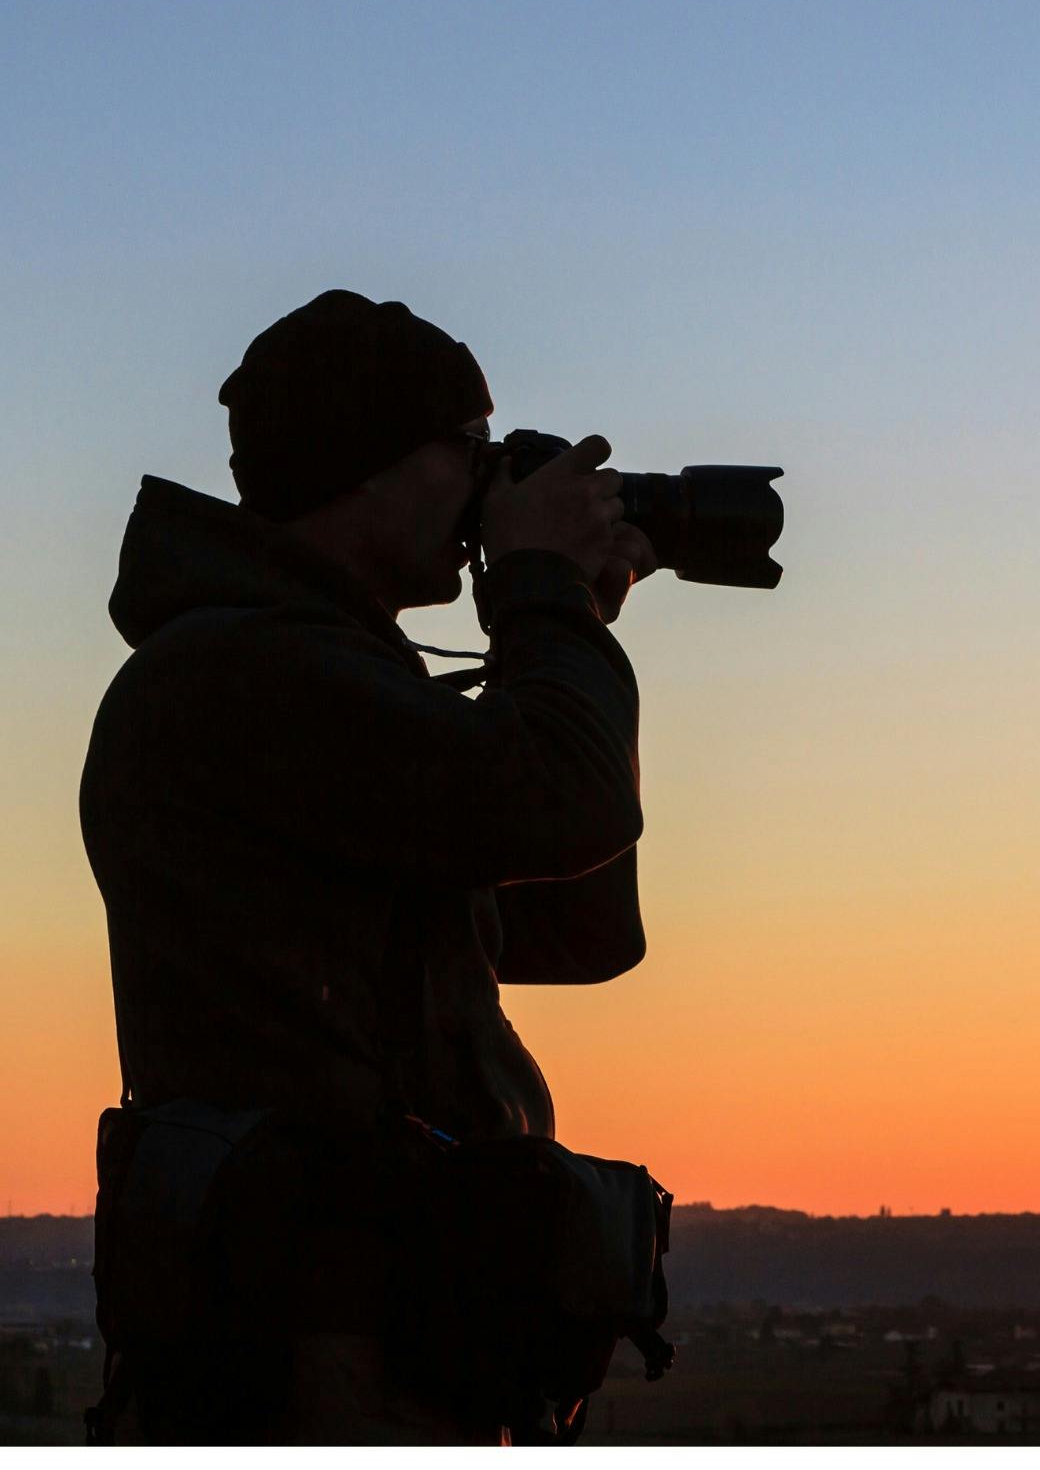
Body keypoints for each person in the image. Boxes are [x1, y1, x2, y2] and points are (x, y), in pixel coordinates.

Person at [80, 290, 656, 1442]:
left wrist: (570, 620)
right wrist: (544, 606)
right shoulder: (241, 675)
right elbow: (556, 803)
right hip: (311, 1350)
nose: (491, 487)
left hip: (386, 1327)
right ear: (372, 462)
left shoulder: (332, 681)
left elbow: (577, 926)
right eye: (472, 451)